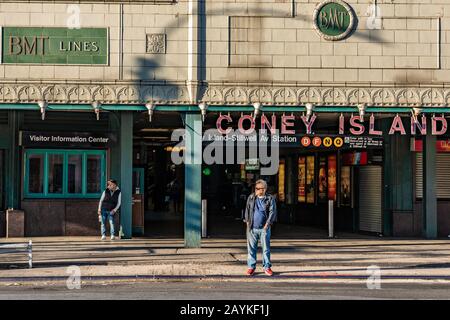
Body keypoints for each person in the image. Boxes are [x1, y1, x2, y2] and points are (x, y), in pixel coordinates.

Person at [244, 179, 277, 276]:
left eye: (260, 189)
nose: (257, 190)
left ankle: (267, 267)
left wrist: (267, 224)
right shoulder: (251, 197)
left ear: (265, 189)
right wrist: (247, 222)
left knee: (266, 249)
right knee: (251, 249)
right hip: (252, 228)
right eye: (256, 188)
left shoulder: (270, 199)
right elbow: (247, 210)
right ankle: (251, 267)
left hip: (264, 228)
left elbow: (272, 212)